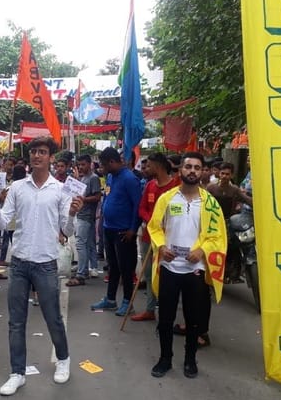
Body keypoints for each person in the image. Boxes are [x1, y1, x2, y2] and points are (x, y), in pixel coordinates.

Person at [0, 136, 83, 396]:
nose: (37, 155)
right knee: (16, 322)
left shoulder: (60, 190)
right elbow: (3, 223)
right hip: (19, 263)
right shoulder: (17, 187)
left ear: (51, 157)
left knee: (53, 318)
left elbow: (67, 230)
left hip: (46, 263)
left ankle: (63, 359)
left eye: (42, 151)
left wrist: (73, 214)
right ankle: (17, 373)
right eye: (33, 151)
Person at [147, 152, 226, 378]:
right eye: (188, 166)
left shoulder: (210, 204)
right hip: (170, 268)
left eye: (197, 168)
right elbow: (154, 227)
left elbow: (218, 236)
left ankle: (190, 360)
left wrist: (202, 251)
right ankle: (165, 359)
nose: (192, 171)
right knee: (166, 318)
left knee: (193, 320)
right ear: (180, 170)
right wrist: (161, 247)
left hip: (195, 270)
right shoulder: (167, 199)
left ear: (202, 172)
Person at [90, 147, 141, 316]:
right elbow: (108, 196)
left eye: (104, 165)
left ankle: (128, 302)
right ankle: (110, 299)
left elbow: (137, 206)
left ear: (112, 162)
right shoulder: (111, 177)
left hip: (123, 231)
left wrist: (132, 229)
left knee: (126, 268)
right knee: (113, 266)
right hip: (109, 228)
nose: (102, 169)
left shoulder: (130, 179)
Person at [131, 152, 178, 322]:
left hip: (168, 240)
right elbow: (142, 208)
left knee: (167, 275)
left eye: (149, 166)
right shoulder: (150, 185)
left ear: (158, 166)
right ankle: (150, 309)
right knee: (149, 273)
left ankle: (166, 312)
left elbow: (178, 211)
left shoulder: (176, 186)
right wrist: (151, 221)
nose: (145, 169)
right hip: (147, 237)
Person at [65, 153, 102, 286]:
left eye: (83, 164)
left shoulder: (93, 178)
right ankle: (88, 268)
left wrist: (83, 199)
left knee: (80, 244)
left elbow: (97, 196)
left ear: (90, 164)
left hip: (86, 215)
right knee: (89, 243)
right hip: (82, 214)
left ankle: (81, 273)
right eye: (79, 165)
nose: (80, 167)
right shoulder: (82, 178)